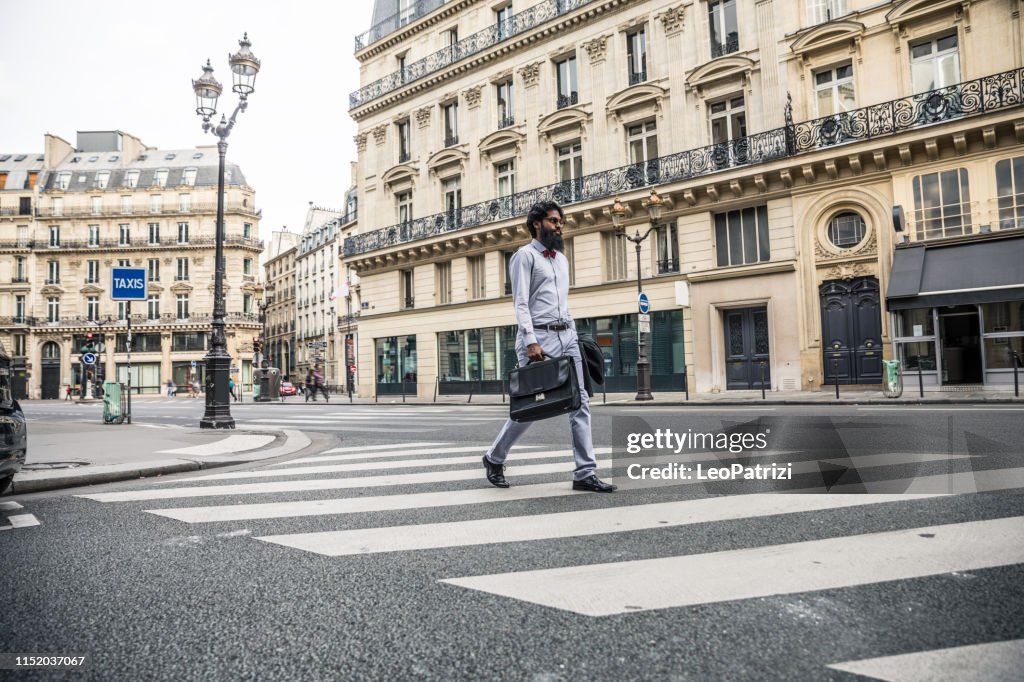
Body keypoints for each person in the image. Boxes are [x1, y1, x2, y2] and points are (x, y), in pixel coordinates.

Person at [482, 201, 615, 493]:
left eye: (560, 222)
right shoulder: (524, 257)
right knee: (532, 407)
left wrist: (575, 337)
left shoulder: (561, 260)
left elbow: (562, 303)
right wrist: (530, 340)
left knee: (580, 402)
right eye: (554, 221)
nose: (559, 226)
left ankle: (584, 472)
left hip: (567, 337)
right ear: (537, 224)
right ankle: (494, 457)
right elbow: (521, 303)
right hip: (538, 339)